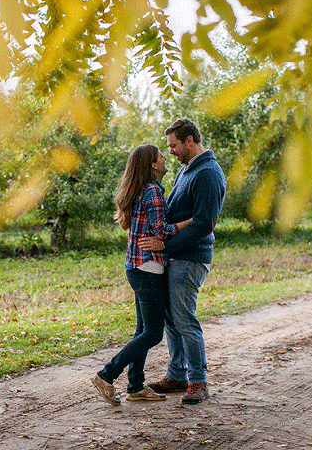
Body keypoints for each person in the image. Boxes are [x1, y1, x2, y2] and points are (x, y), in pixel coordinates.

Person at [91, 144, 194, 405]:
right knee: (153, 334)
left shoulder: (143, 190)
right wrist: (191, 222)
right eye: (160, 155)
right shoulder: (153, 191)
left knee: (142, 330)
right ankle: (107, 374)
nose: (165, 157)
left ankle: (135, 386)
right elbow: (162, 230)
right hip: (148, 268)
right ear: (152, 165)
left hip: (137, 267)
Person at [138, 118, 226, 405]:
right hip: (174, 256)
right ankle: (177, 374)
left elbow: (204, 224)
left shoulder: (208, 173)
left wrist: (166, 243)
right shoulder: (187, 171)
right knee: (171, 318)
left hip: (191, 258)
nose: (171, 152)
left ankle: (197, 381)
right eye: (169, 147)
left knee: (184, 318)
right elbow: (174, 212)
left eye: (174, 146)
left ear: (190, 140)